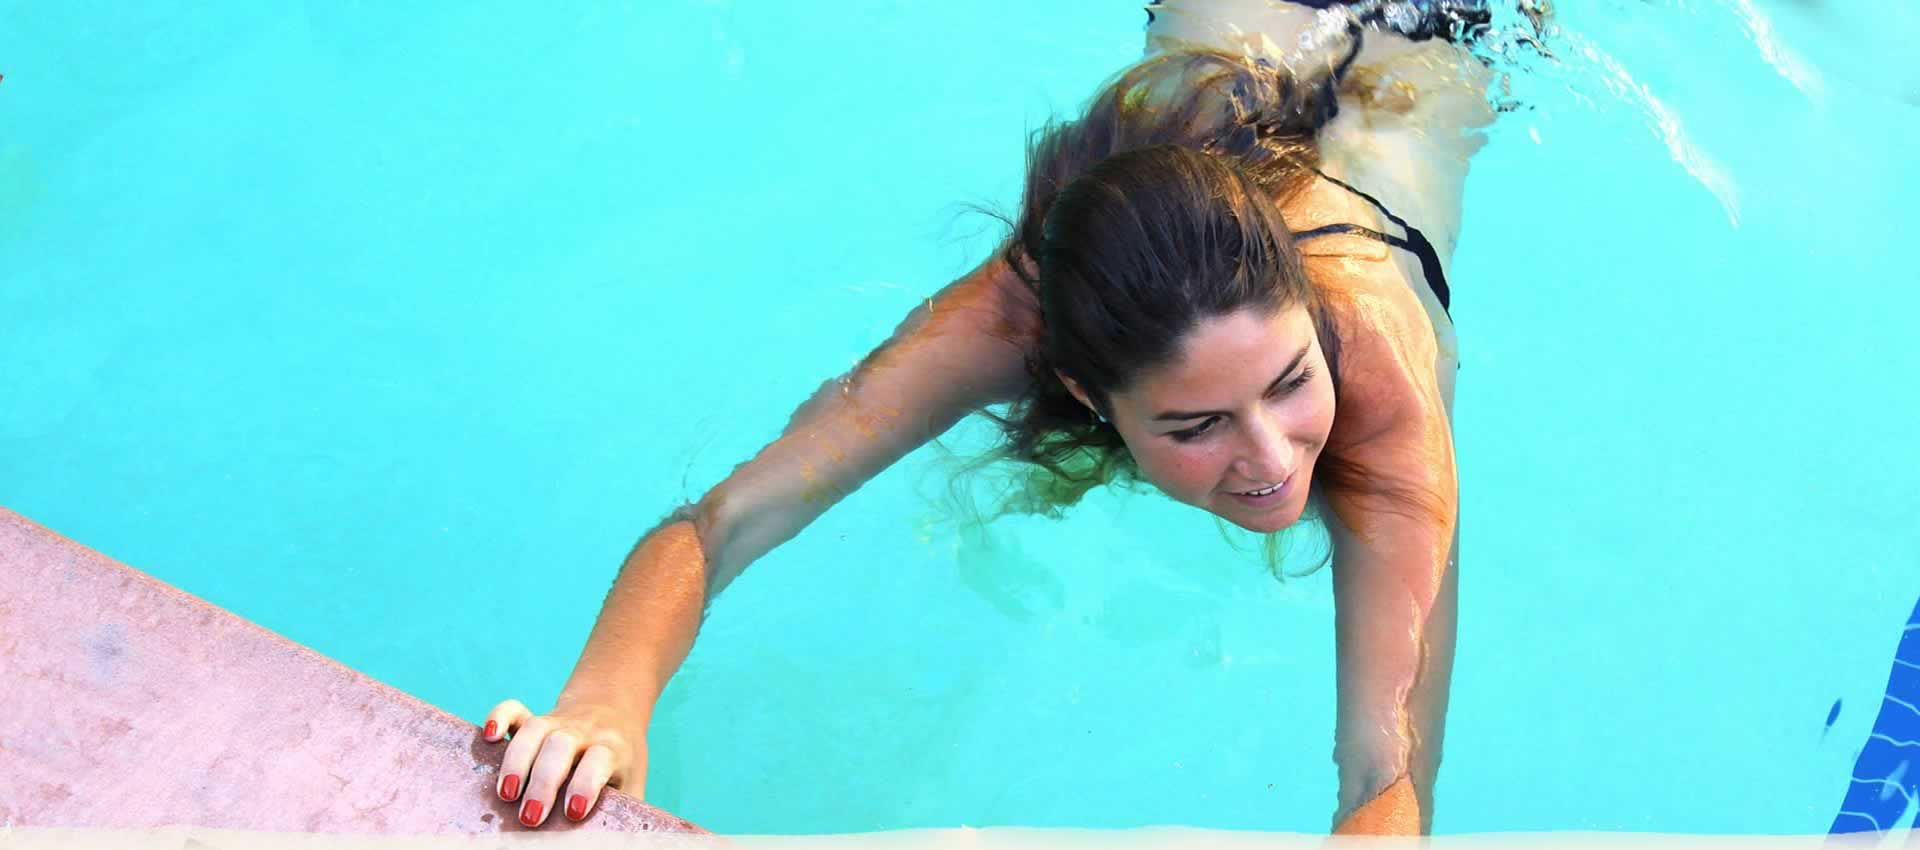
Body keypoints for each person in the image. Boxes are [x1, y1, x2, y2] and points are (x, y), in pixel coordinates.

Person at [482, 0, 1503, 835]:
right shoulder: (1015, 316)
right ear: (1080, 395)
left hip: (1428, 30)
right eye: (1196, 426)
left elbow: (1390, 769)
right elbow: (721, 522)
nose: (1276, 462)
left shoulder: (1383, 373)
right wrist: (601, 703)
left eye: (1289, 381)